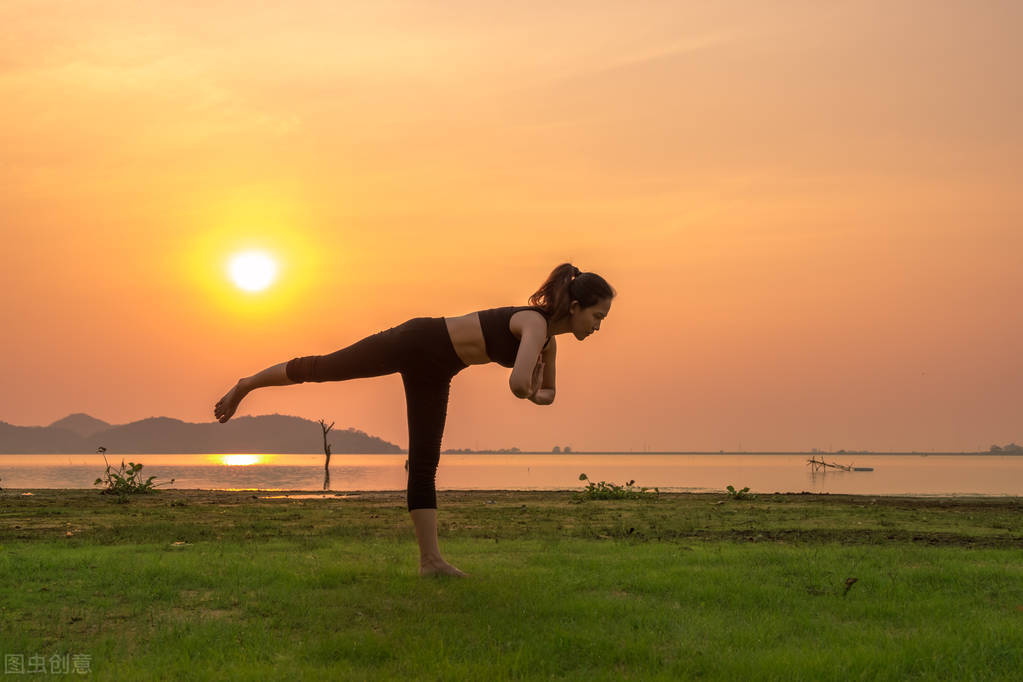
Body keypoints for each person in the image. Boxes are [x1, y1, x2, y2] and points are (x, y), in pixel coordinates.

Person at [213, 263, 615, 576]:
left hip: (439, 368)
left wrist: (534, 390)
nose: (598, 327)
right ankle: (247, 384)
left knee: (425, 463)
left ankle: (431, 562)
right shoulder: (534, 323)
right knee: (325, 367)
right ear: (575, 307)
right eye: (597, 316)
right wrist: (528, 388)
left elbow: (547, 394)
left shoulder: (548, 343)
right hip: (418, 340)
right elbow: (518, 384)